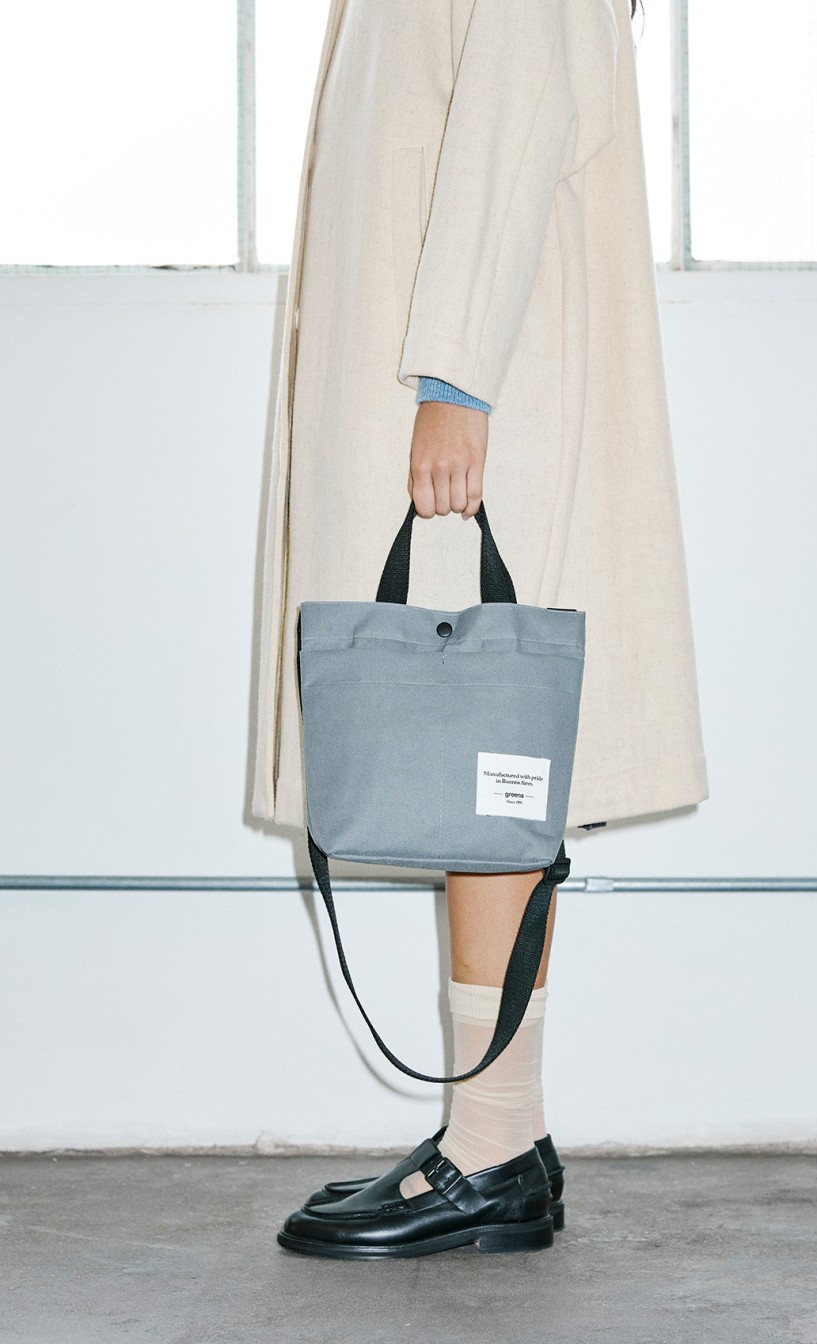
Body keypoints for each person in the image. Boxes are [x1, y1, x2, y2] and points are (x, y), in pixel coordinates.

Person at [252, 0, 709, 1259]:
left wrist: (456, 384)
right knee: (482, 763)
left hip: (478, 390)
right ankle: (500, 1133)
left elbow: (512, 117)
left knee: (487, 758)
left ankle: (494, 1146)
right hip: (444, 373)